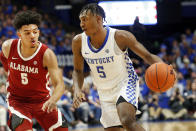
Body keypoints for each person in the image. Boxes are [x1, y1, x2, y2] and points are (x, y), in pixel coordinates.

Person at [71, 3, 171, 131]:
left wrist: (166, 69)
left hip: (125, 82)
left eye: (85, 19)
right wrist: (77, 89)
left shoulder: (120, 37)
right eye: (80, 20)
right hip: (104, 90)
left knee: (127, 120)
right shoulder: (78, 41)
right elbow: (78, 70)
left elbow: (148, 56)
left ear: (98, 19)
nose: (81, 24)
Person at [0, 10, 68, 131]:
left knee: (62, 129)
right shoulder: (8, 47)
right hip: (17, 101)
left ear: (39, 32)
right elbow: (6, 67)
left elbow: (60, 85)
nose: (32, 35)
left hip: (43, 101)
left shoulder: (47, 54)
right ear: (19, 34)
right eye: (27, 33)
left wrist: (53, 100)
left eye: (35, 32)